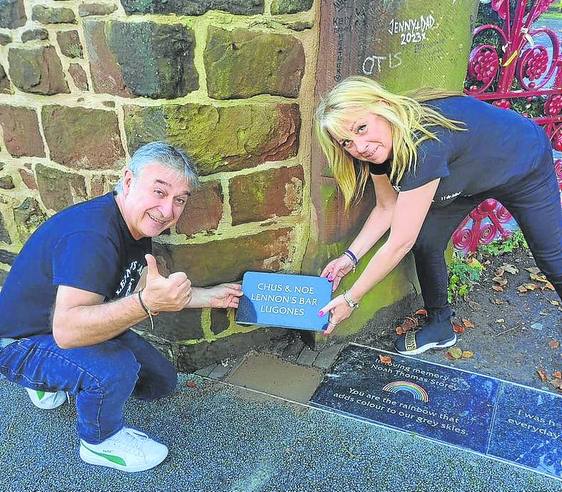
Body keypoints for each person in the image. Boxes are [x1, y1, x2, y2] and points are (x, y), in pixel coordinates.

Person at [0, 142, 243, 473]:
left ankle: (55, 378)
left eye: (179, 199)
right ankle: (99, 441)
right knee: (115, 370)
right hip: (20, 342)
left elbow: (144, 283)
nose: (168, 209)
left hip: (57, 327)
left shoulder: (134, 222)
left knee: (159, 381)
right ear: (128, 181)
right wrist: (145, 305)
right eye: (159, 191)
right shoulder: (93, 236)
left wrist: (210, 297)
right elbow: (69, 331)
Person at [315, 76, 562, 354]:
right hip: (464, 179)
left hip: (522, 165)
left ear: (381, 106)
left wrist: (350, 300)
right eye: (347, 142)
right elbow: (387, 207)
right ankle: (440, 325)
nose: (360, 147)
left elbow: (399, 243)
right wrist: (349, 258)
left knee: (553, 259)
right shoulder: (377, 150)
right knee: (427, 240)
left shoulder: (424, 144)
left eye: (361, 128)